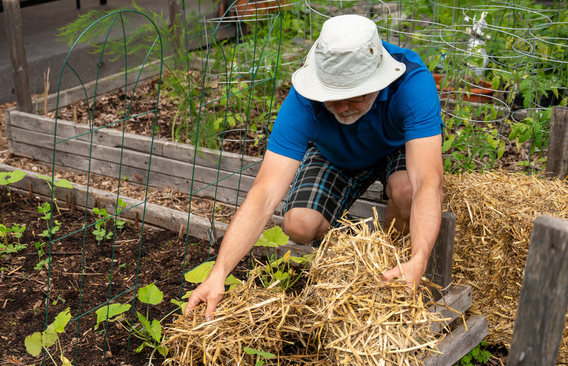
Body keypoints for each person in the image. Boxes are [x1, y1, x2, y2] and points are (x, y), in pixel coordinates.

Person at [185, 14, 444, 321]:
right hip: (337, 153)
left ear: (378, 81)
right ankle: (347, 258)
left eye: (353, 97)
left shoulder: (412, 82)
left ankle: (395, 261)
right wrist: (219, 272)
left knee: (406, 192)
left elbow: (428, 180)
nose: (342, 107)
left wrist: (421, 257)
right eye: (331, 99)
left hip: (396, 146)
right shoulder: (304, 100)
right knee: (298, 225)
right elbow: (265, 192)